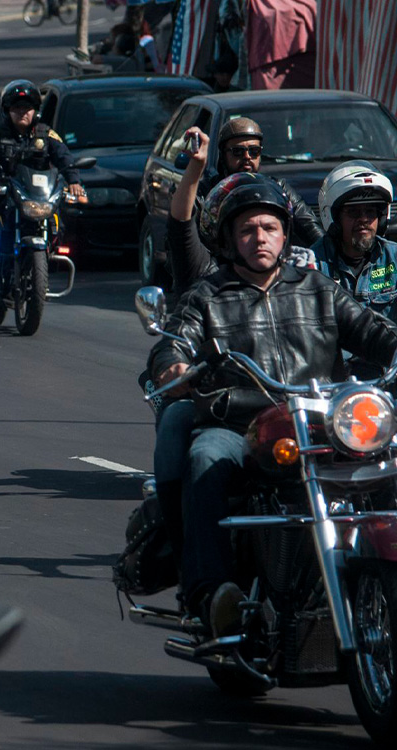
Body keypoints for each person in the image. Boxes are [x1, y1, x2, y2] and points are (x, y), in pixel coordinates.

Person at [147, 173, 397, 633]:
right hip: (239, 422)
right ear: (229, 239)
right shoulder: (207, 296)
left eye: (268, 228)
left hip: (321, 420)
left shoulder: (318, 289)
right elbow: (173, 344)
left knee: (387, 458)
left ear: (285, 235)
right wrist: (174, 368)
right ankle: (210, 589)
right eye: (247, 230)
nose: (258, 237)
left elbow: (375, 333)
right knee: (205, 457)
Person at [165, 121, 323, 292]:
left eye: (254, 151)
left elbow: (314, 233)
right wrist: (194, 169)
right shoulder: (203, 193)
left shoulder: (277, 189)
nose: (247, 157)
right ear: (223, 155)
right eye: (237, 151)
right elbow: (181, 240)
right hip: (213, 284)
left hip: (265, 281)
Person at [0, 80, 82, 242]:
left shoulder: (46, 134)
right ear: (7, 111)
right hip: (4, 191)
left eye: (27, 108)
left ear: (35, 111)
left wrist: (73, 181)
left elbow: (64, 156)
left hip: (39, 192)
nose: (22, 112)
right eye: (16, 108)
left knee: (64, 220)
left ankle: (58, 254)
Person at [310, 161, 397, 371]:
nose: (364, 220)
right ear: (334, 218)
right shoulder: (311, 265)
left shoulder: (395, 257)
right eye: (353, 212)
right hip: (335, 384)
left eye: (370, 212)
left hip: (388, 377)